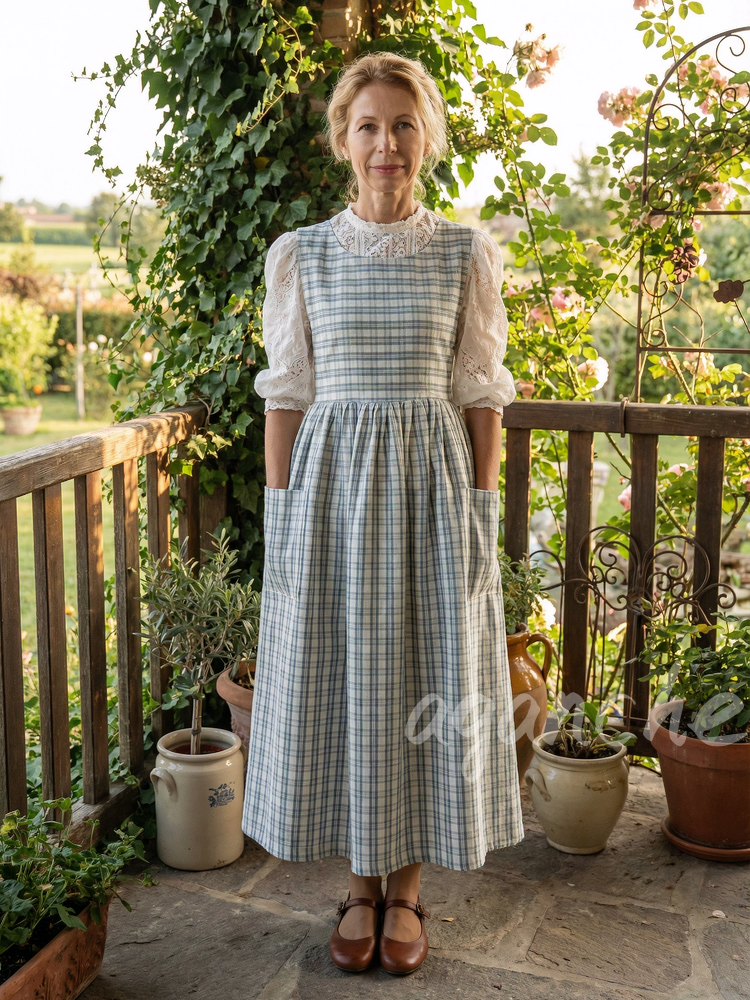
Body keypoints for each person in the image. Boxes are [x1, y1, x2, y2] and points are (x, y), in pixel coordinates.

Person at [242, 51, 523, 977]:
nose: (387, 143)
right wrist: (282, 518)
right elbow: (285, 396)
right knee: (352, 682)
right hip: (329, 503)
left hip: (433, 499)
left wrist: (481, 508)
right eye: (369, 125)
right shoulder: (303, 254)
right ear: (343, 140)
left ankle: (406, 889)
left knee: (417, 681)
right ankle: (359, 885)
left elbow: (481, 393)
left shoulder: (462, 253)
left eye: (403, 124)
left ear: (426, 138)